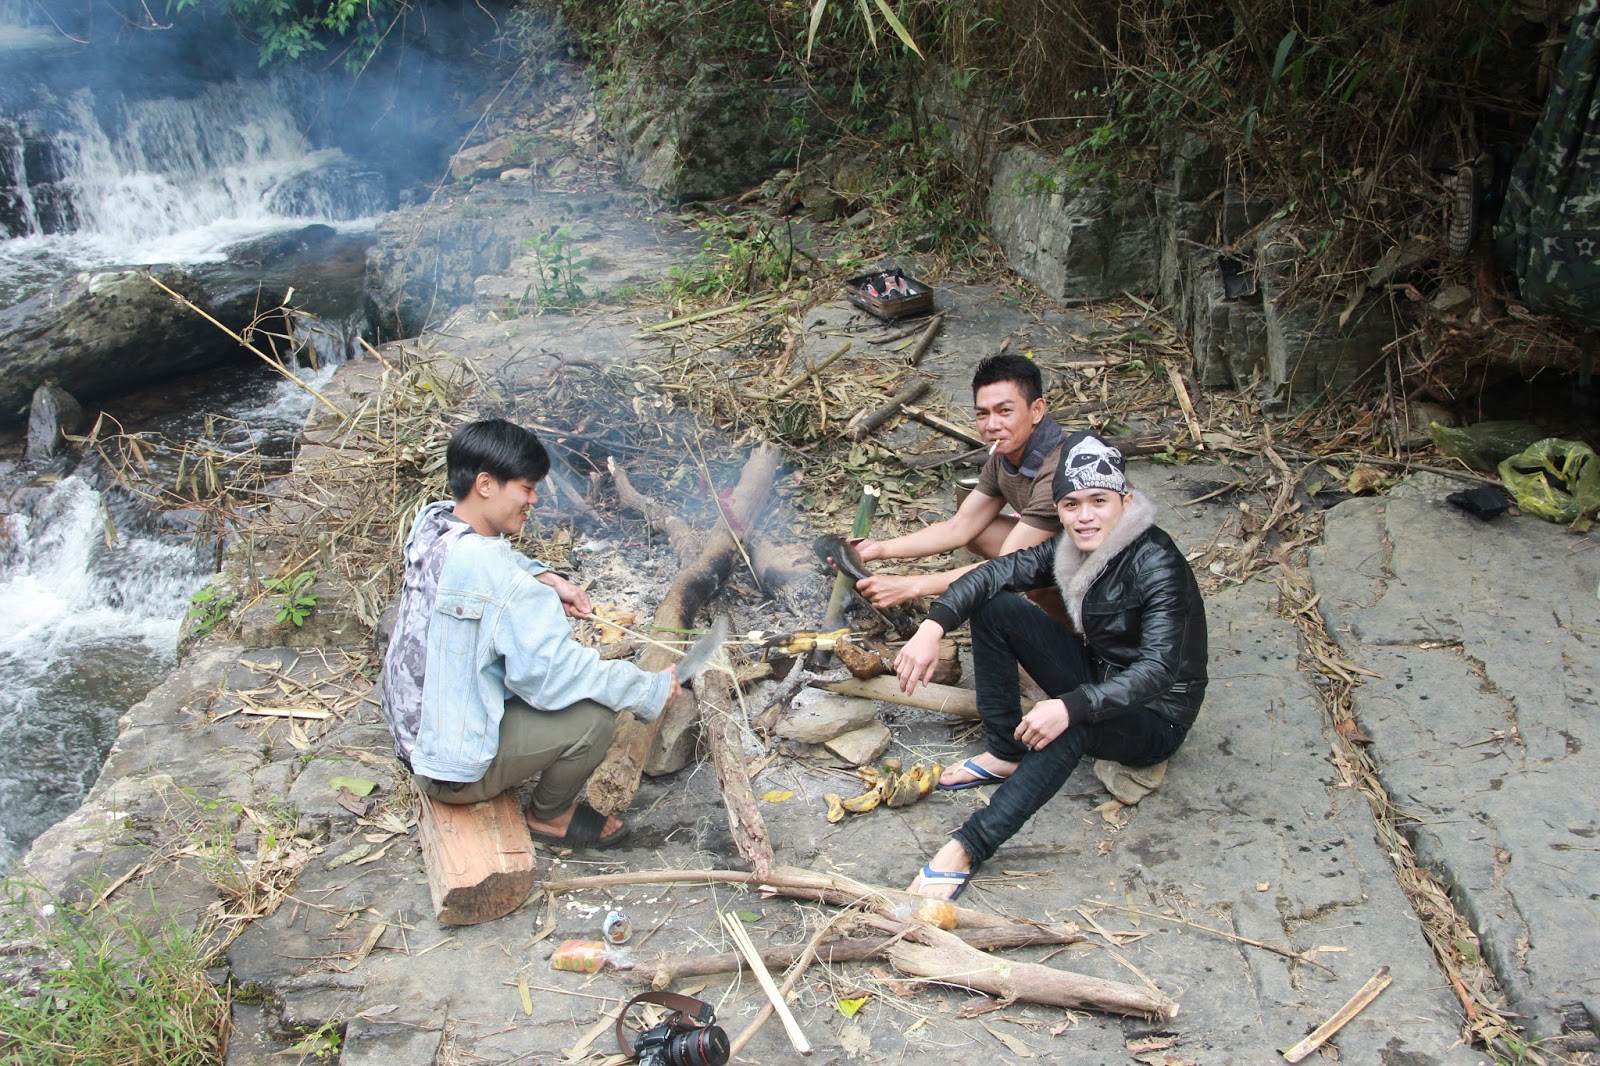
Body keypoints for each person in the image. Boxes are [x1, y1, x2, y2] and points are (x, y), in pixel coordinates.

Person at [891, 431, 1207, 899]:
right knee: (996, 604)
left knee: (1070, 725)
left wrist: (1072, 706)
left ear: (1125, 500)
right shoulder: (1069, 547)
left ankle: (969, 846)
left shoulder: (1156, 563)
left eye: (1098, 501)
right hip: (1100, 674)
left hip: (1156, 713)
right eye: (1071, 504)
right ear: (1057, 509)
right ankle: (1005, 752)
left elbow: (1160, 668)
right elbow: (993, 572)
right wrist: (932, 627)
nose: (1084, 516)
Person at [379, 419, 679, 848]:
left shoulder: (434, 524)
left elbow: (495, 566)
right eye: (526, 487)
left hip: (413, 737)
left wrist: (547, 577)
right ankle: (550, 817)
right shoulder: (499, 578)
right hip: (446, 771)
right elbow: (556, 674)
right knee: (594, 717)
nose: (533, 500)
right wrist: (647, 688)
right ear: (486, 484)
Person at [849, 354, 1067, 610]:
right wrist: (878, 548)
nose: (992, 425)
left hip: (1108, 571)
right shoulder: (1005, 455)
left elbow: (1011, 561)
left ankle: (1079, 639)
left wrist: (911, 585)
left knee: (1036, 582)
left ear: (1037, 410)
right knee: (980, 529)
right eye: (982, 414)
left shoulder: (1058, 467)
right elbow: (959, 527)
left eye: (1005, 411)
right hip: (1062, 551)